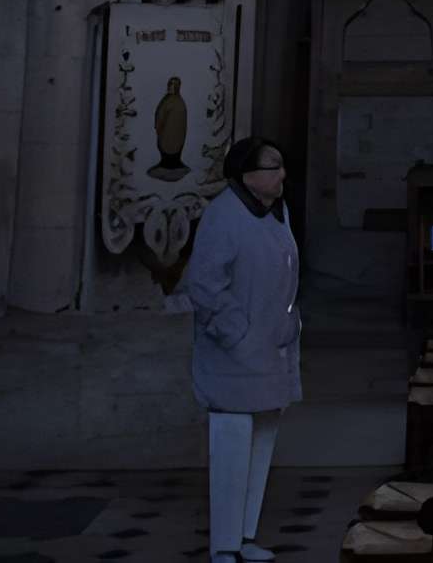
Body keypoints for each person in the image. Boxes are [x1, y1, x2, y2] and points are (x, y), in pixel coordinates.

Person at [183, 136, 301, 563]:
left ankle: (246, 535)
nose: (282, 175)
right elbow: (206, 286)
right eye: (273, 167)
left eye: (282, 166)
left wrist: (283, 327)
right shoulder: (223, 217)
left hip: (270, 353)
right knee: (231, 453)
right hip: (235, 359)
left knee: (261, 447)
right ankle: (225, 546)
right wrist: (239, 333)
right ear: (246, 174)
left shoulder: (276, 213)